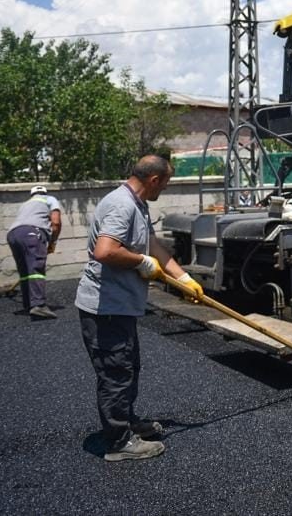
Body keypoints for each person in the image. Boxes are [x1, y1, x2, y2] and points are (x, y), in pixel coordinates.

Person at [74, 155, 204, 462]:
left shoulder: (138, 204)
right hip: (105, 308)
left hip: (120, 306)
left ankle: (127, 422)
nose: (166, 189)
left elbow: (153, 246)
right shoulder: (122, 205)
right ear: (154, 180)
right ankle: (118, 442)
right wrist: (141, 262)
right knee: (115, 374)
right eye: (166, 183)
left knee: (128, 368)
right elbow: (105, 251)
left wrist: (183, 279)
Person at [6, 185, 62, 319]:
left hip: (13, 234)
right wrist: (52, 242)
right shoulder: (50, 199)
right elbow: (56, 223)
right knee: (36, 268)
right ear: (45, 192)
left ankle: (29, 305)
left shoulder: (25, 204)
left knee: (25, 271)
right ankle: (39, 305)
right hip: (31, 233)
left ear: (32, 194)